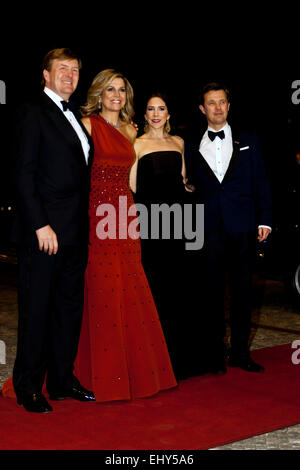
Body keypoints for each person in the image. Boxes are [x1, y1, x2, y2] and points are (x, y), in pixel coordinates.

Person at [1, 48, 95, 412]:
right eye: (62, 69)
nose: (69, 75)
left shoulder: (75, 116)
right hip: (44, 233)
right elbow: (23, 174)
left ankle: (61, 380)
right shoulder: (31, 111)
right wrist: (40, 224)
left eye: (74, 70)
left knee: (68, 309)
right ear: (45, 74)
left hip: (75, 231)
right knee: (37, 309)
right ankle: (28, 386)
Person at [74, 71, 177, 402]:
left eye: (121, 90)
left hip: (126, 214)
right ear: (99, 94)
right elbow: (77, 173)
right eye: (110, 90)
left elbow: (136, 176)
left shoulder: (132, 130)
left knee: (128, 286)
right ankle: (97, 374)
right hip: (96, 214)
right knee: (101, 288)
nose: (116, 95)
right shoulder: (88, 125)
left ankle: (132, 371)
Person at [184, 82, 272, 375]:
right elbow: (188, 184)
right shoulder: (190, 142)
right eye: (211, 103)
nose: (218, 107)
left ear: (229, 106)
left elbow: (260, 180)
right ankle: (214, 351)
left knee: (243, 290)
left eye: (222, 102)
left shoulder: (249, 139)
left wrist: (265, 219)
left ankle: (240, 353)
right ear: (202, 108)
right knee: (210, 292)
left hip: (243, 225)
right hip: (207, 227)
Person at [130, 93, 191, 379]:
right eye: (151, 109)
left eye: (161, 108)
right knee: (154, 288)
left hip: (177, 225)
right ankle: (152, 357)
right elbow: (131, 189)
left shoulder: (179, 143)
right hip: (150, 226)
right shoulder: (137, 144)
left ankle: (177, 356)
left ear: (169, 114)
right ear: (144, 114)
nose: (156, 113)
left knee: (177, 287)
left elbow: (183, 184)